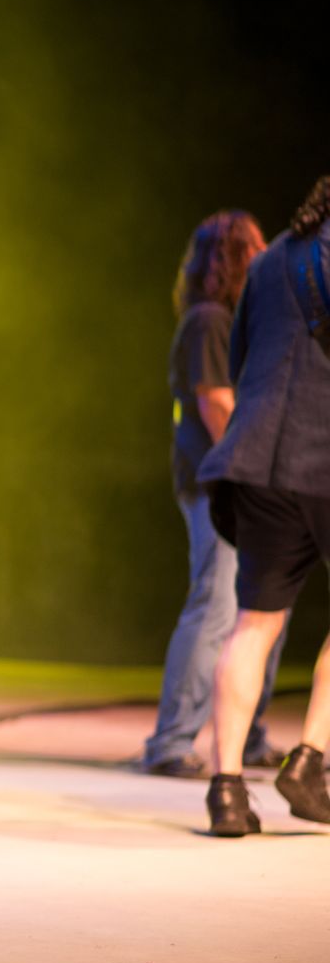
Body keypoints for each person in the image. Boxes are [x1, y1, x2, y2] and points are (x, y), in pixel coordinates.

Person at [200, 175, 330, 837]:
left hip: (258, 456)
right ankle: (309, 761)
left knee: (253, 623)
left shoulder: (272, 256)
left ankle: (226, 790)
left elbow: (242, 360)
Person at [142, 211, 285, 777]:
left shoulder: (232, 320)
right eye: (256, 247)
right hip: (218, 482)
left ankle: (245, 734)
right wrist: (252, 471)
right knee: (218, 604)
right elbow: (216, 404)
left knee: (262, 608)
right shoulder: (207, 319)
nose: (266, 255)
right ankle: (171, 741)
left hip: (239, 480)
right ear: (234, 257)